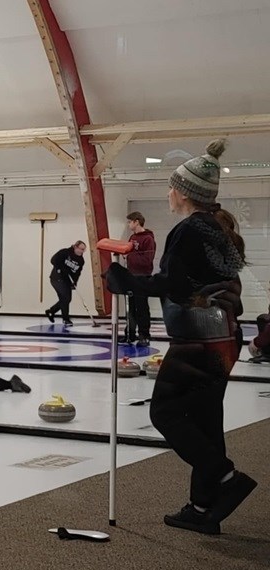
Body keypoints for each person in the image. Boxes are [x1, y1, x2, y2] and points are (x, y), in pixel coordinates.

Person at [106, 139, 256, 535]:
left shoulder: (190, 229)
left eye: (172, 186)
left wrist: (126, 282)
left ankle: (225, 479)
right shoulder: (214, 228)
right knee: (205, 420)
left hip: (200, 340)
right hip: (223, 336)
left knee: (166, 412)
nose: (168, 193)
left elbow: (173, 286)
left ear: (186, 192)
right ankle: (203, 507)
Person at [124, 212, 156, 346]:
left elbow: (147, 260)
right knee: (131, 307)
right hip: (131, 275)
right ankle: (130, 334)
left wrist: (130, 256)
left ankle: (144, 335)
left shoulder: (148, 239)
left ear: (136, 222)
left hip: (142, 277)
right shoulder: (132, 237)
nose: (128, 224)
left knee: (141, 307)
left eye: (130, 221)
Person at [45, 240, 86, 326]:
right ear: (75, 247)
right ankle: (65, 319)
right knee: (66, 298)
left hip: (67, 280)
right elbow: (53, 260)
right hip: (57, 278)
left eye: (83, 250)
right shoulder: (65, 252)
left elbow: (77, 272)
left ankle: (51, 311)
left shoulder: (81, 260)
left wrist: (74, 282)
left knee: (66, 299)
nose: (82, 251)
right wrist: (63, 269)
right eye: (81, 249)